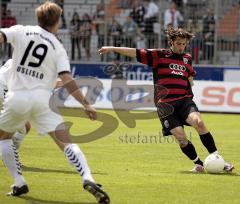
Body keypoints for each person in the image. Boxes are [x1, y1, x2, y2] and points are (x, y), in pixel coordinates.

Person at [0, 2, 110, 203]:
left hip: (17, 96)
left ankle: (18, 181)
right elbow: (67, 80)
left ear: (38, 18)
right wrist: (86, 103)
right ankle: (88, 177)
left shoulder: (21, 31)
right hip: (42, 100)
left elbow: (1, 36)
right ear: (57, 21)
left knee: (3, 137)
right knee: (65, 141)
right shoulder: (57, 47)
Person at [99, 27, 234, 173]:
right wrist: (112, 48)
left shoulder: (187, 58)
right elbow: (135, 52)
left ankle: (219, 160)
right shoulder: (159, 55)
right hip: (165, 106)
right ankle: (199, 163)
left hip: (184, 101)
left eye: (184, 44)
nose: (182, 47)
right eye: (179, 44)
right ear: (171, 42)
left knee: (199, 123)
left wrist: (190, 82)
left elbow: (189, 75)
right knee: (181, 138)